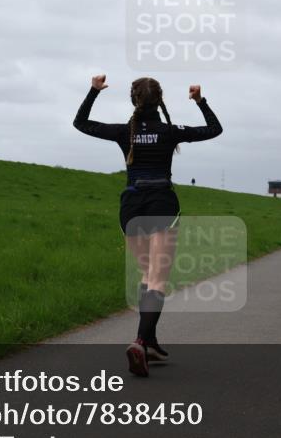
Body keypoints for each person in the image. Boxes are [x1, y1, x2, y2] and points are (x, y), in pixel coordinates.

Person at [74, 75, 223, 377]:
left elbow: (81, 123)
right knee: (158, 279)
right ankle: (140, 341)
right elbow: (214, 129)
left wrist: (93, 91)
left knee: (147, 274)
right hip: (161, 204)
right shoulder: (169, 132)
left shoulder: (123, 132)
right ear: (161, 100)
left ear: (134, 100)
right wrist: (199, 101)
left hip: (131, 206)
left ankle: (150, 341)